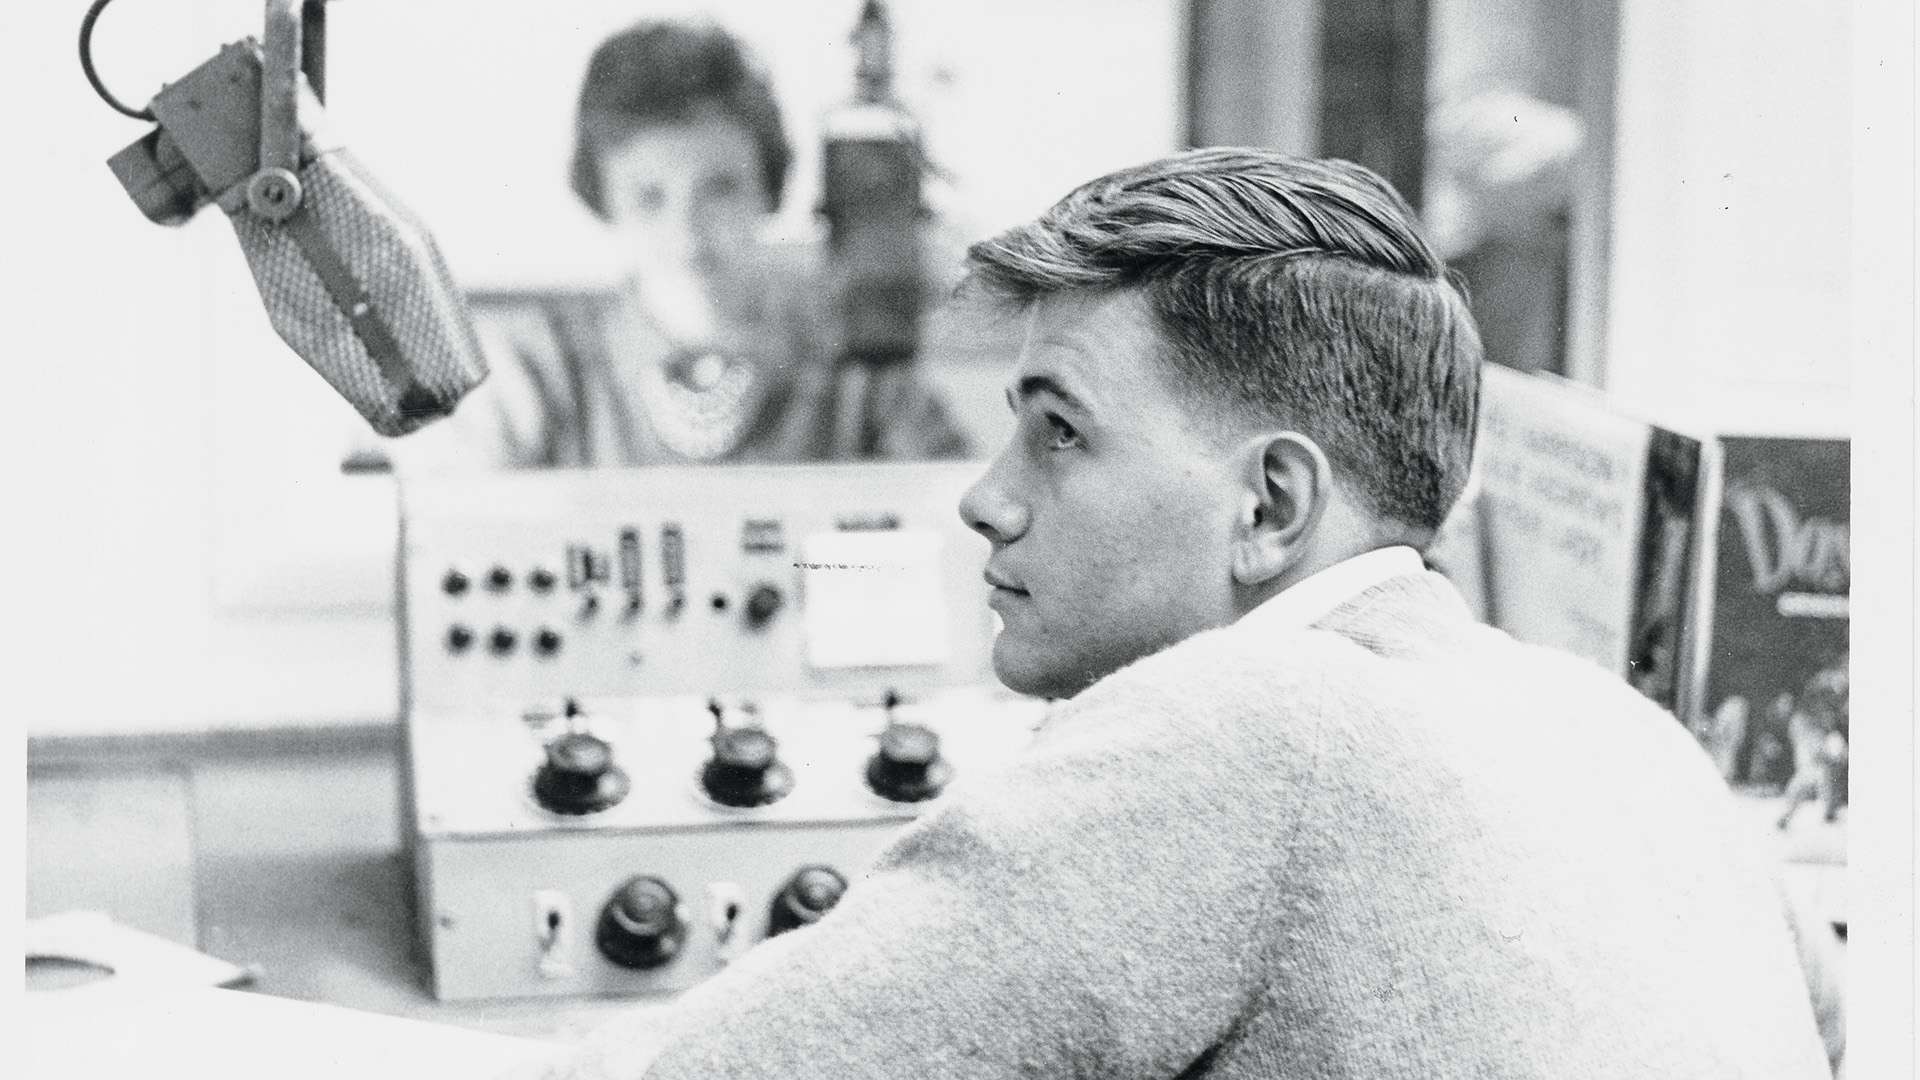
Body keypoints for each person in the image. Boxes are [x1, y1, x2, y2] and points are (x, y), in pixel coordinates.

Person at [519, 150, 1840, 1078]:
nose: (987, 501)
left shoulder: (1254, 723)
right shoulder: (1631, 737)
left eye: (1059, 434)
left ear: (1268, 506)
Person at [423, 20, 970, 469]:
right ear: (604, 199)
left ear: (768, 185)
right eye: (649, 197)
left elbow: (956, 525)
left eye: (720, 189)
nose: (686, 229)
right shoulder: (543, 370)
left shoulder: (860, 362)